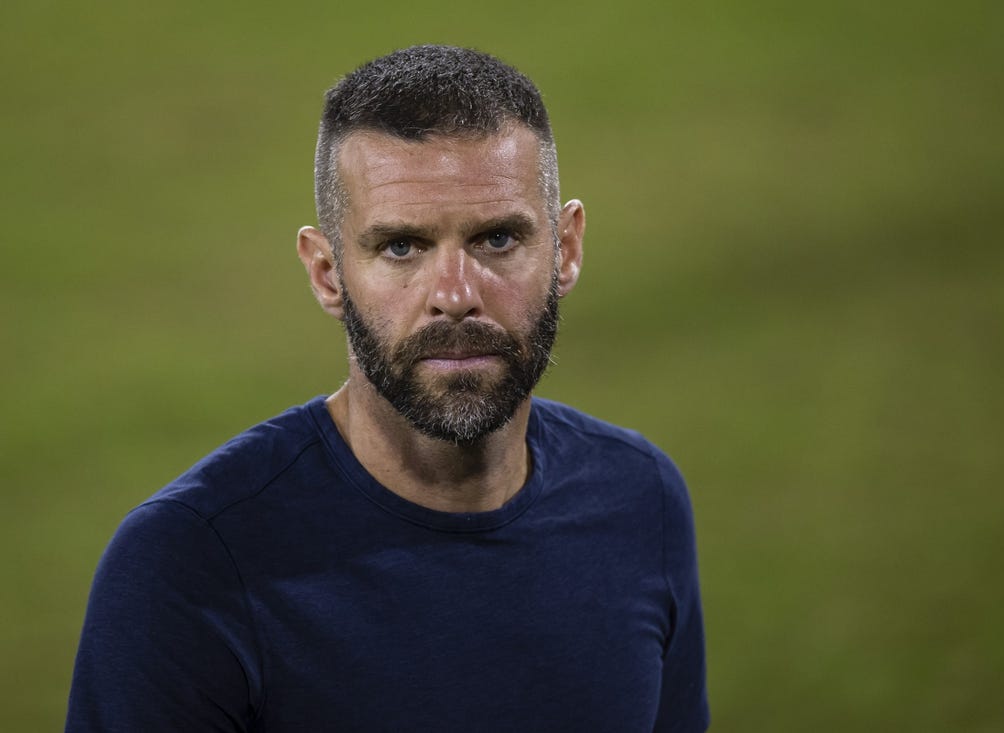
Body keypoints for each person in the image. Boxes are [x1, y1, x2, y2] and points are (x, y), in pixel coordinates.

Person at [66, 45, 708, 732]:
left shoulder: (642, 500)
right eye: (401, 247)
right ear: (326, 272)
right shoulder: (186, 568)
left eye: (496, 239)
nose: (455, 296)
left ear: (566, 247)